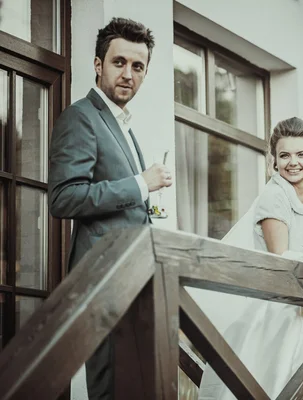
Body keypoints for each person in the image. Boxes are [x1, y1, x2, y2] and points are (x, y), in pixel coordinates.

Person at [48, 17, 172, 400]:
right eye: (119, 62)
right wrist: (141, 184)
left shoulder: (124, 127)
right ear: (98, 64)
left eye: (138, 66)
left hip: (134, 278)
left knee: (136, 388)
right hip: (101, 279)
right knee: (112, 388)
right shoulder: (80, 117)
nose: (128, 74)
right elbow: (64, 197)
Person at [191, 117, 303, 399]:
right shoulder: (274, 196)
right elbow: (281, 259)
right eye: (284, 155)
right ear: (274, 161)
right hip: (284, 310)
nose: (293, 162)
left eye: (301, 154)